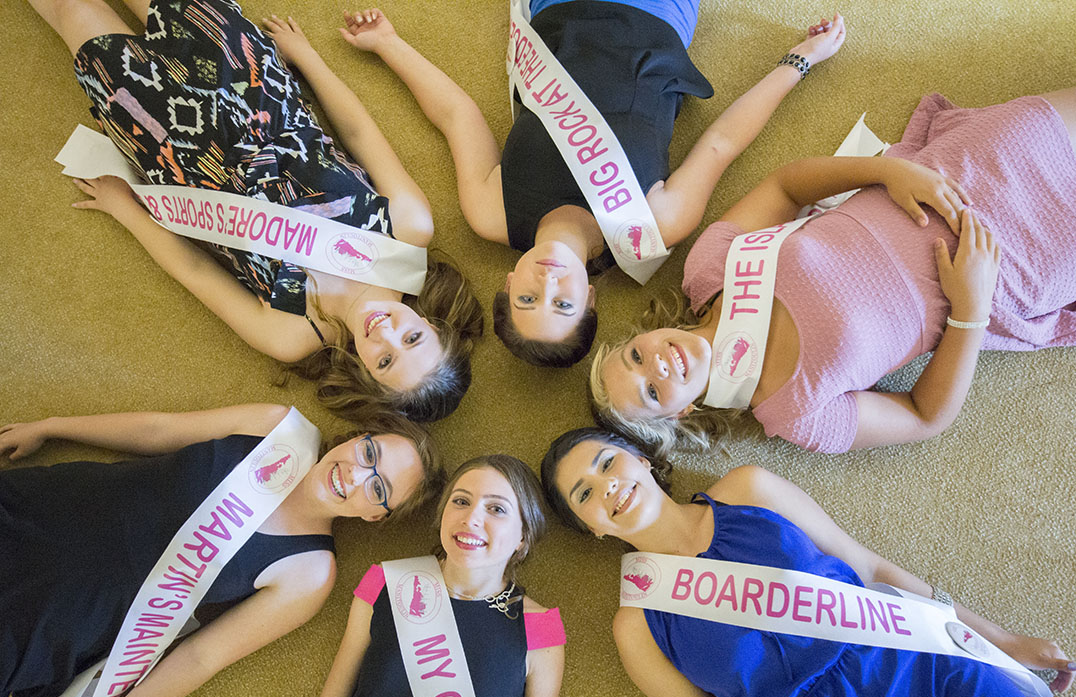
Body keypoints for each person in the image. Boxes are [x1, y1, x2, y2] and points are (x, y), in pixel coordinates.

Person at [29, 0, 483, 422]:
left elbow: (196, 270)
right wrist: (307, 59)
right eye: (412, 339)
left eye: (385, 361)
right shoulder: (407, 232)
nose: (385, 335)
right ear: (433, 324)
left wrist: (126, 209)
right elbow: (358, 133)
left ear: (366, 374)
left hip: (169, 141)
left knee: (71, 9)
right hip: (250, 84)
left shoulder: (291, 335)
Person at [337, 4, 846, 367]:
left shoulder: (491, 212)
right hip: (658, 15)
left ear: (509, 284)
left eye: (528, 300)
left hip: (555, 13)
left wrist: (388, 44)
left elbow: (455, 116)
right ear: (592, 300)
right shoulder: (654, 227)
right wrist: (800, 60)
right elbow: (721, 143)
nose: (548, 284)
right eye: (563, 304)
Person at [591, 88, 1076, 454]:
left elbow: (785, 188)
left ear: (644, 336)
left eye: (635, 356)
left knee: (1037, 120)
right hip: (1013, 265)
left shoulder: (709, 271)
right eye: (652, 392)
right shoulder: (794, 413)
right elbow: (923, 415)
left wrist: (885, 171)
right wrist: (970, 310)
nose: (654, 365)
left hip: (959, 172)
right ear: (681, 413)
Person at [540, 426, 1076, 697]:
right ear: (594, 530)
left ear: (642, 458)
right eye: (584, 493)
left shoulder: (749, 490)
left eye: (607, 461)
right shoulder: (636, 626)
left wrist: (1001, 639)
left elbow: (871, 568)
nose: (606, 485)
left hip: (913, 665)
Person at [0, 402, 444, 697]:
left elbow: (201, 658)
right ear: (358, 438)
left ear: (373, 516)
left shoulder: (310, 573)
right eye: (370, 452)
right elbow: (157, 431)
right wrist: (52, 426)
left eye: (379, 488)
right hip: (39, 509)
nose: (357, 473)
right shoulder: (279, 428)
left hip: (55, 618)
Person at [313, 455, 565, 697]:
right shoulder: (385, 583)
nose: (471, 518)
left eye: (497, 509)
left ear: (523, 537)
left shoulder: (540, 626)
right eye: (461, 501)